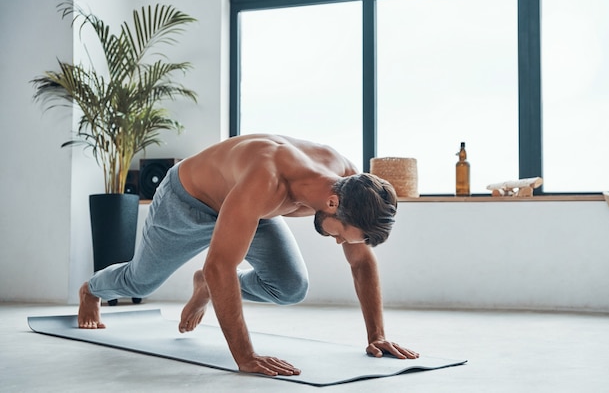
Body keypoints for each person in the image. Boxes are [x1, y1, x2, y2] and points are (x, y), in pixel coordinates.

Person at [78, 134, 418, 376]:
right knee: (141, 280)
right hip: (186, 203)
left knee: (290, 286)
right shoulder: (267, 179)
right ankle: (91, 290)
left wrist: (377, 336)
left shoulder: (346, 178)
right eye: (341, 235)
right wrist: (246, 357)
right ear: (332, 204)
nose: (339, 243)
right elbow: (221, 265)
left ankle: (206, 287)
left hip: (247, 211)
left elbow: (360, 261)